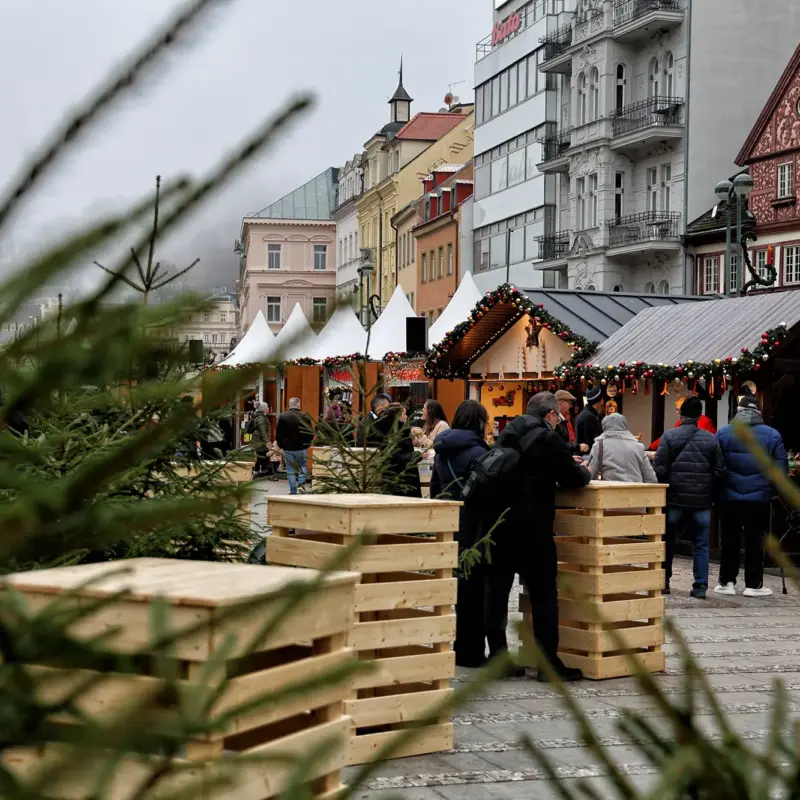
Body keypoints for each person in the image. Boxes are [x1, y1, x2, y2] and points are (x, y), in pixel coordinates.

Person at [485, 392, 591, 682]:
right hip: (533, 527)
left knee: (497, 591)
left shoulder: (508, 433)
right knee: (544, 594)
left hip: (500, 523)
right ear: (550, 415)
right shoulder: (547, 438)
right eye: (559, 416)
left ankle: (498, 657)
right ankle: (547, 664)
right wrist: (583, 470)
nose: (560, 421)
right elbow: (573, 477)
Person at [430, 399, 490, 668]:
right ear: (478, 422)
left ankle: (457, 646)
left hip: (449, 525)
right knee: (474, 590)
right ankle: (471, 652)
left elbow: (434, 489)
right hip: (474, 525)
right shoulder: (478, 453)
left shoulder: (442, 450)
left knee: (457, 587)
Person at [653, 395, 726, 599]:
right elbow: (721, 471)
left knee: (667, 539)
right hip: (702, 501)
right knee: (701, 544)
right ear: (699, 415)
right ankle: (700, 586)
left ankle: (663, 581)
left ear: (682, 414)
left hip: (674, 498)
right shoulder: (711, 439)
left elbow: (658, 468)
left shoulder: (669, 437)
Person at [715, 395, 787, 598]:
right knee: (756, 539)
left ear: (738, 411)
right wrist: (773, 491)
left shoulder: (723, 433)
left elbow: (716, 466)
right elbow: (780, 470)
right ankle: (753, 585)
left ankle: (726, 582)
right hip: (759, 498)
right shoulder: (772, 435)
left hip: (729, 497)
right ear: (758, 412)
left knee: (729, 539)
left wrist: (720, 489)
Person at [587, 413, 658, 483]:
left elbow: (590, 474)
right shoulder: (638, 446)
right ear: (625, 426)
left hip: (609, 492)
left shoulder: (599, 445)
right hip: (635, 492)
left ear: (604, 427)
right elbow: (651, 478)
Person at [374, 403, 422, 497]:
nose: (406, 416)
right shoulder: (397, 434)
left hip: (393, 480)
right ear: (397, 417)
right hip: (403, 482)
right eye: (404, 414)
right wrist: (417, 455)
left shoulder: (387, 431)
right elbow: (396, 458)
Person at [276, 397, 314, 494]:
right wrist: (307, 443)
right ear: (298, 405)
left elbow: (279, 433)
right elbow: (310, 432)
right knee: (302, 466)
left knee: (290, 469)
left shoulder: (282, 416)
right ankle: (301, 485)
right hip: (301, 446)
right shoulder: (304, 416)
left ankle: (293, 490)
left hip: (288, 447)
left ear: (289, 405)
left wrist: (281, 445)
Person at [649, 396, 716, 450]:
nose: (677, 412)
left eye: (678, 409)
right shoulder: (706, 421)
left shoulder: (705, 422)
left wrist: (651, 448)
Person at [554, 389, 589, 455]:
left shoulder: (563, 419)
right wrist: (578, 447)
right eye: (570, 403)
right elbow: (558, 445)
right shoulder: (555, 420)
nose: (571, 406)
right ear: (561, 402)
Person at [576, 387, 605, 451]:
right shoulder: (590, 417)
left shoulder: (585, 413)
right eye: (602, 399)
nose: (603, 402)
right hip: (587, 456)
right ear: (598, 401)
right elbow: (592, 443)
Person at [251, 402, 271, 477]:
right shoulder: (261, 418)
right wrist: (267, 441)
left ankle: (261, 470)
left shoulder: (262, 416)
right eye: (267, 407)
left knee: (262, 455)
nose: (268, 408)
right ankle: (257, 471)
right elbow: (262, 430)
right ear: (264, 409)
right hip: (259, 440)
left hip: (259, 439)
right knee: (261, 455)